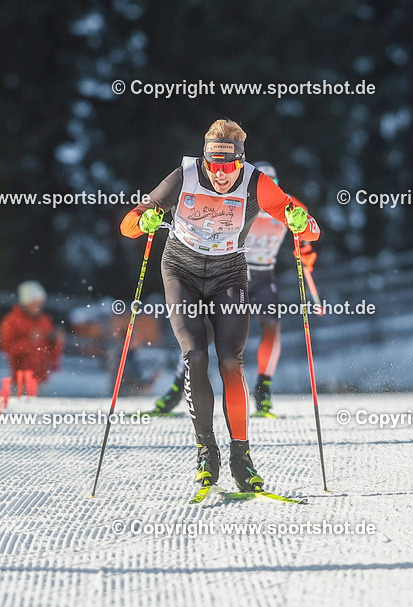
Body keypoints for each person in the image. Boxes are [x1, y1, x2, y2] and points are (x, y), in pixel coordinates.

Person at [120, 119, 320, 492]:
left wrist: (299, 220)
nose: (221, 174)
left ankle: (241, 456)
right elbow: (129, 225)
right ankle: (206, 451)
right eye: (214, 165)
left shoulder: (257, 183)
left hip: (229, 274)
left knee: (231, 360)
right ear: (205, 159)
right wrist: (144, 219)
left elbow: (310, 229)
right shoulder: (184, 175)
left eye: (229, 167)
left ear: (241, 162)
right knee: (195, 355)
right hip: (181, 270)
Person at [150, 161, 317, 418]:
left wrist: (305, 250)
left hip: (262, 275)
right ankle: (176, 390)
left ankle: (263, 392)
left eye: (274, 186)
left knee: (272, 322)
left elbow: (306, 230)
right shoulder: (238, 200)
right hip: (231, 274)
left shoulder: (285, 204)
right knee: (203, 333)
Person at [0, 280, 66, 386]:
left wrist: (56, 341)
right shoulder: (12, 320)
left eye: (40, 303)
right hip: (21, 380)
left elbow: (49, 350)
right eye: (34, 303)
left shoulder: (44, 320)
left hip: (42, 378)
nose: (38, 307)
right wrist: (29, 342)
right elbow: (6, 348)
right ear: (25, 302)